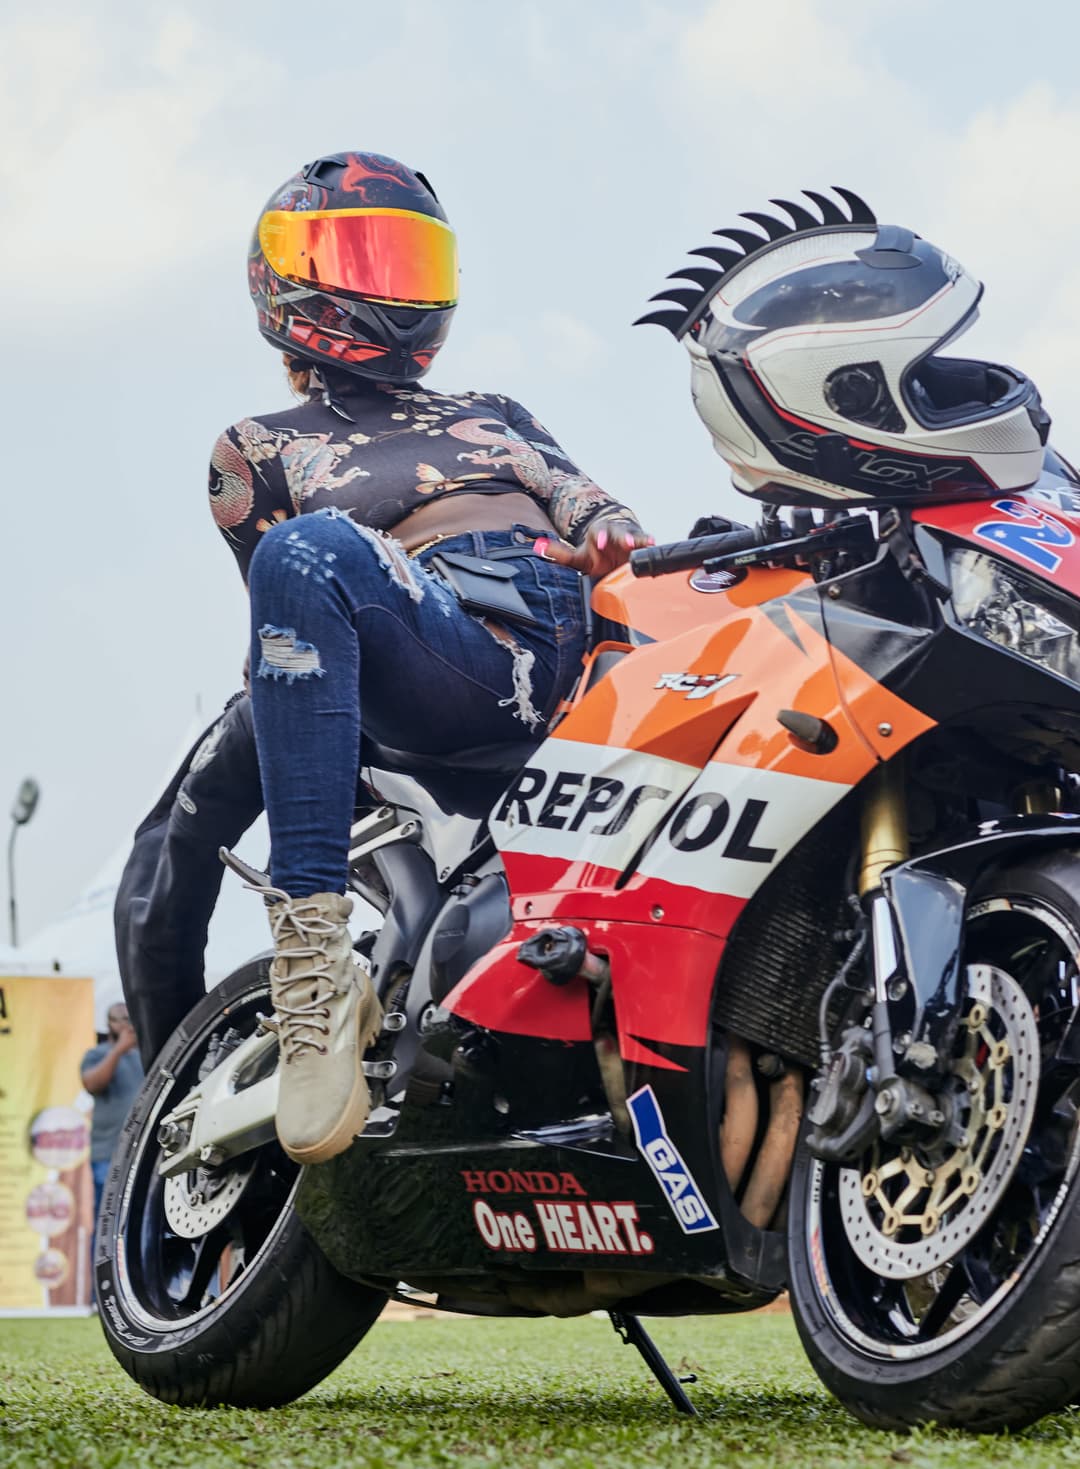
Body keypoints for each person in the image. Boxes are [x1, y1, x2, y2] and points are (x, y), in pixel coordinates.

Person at [207, 150, 648, 1168]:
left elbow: (590, 500)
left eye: (405, 258)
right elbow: (292, 614)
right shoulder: (258, 445)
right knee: (303, 552)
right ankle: (312, 966)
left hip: (587, 635)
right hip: (449, 640)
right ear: (286, 282)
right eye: (358, 257)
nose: (383, 285)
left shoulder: (498, 409)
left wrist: (618, 531)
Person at [81, 1003, 144, 1265]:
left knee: (143, 1223)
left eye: (130, 1019)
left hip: (143, 1156)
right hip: (109, 1155)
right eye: (120, 1020)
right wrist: (120, 1049)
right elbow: (92, 1083)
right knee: (108, 1222)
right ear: (109, 1024)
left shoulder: (149, 1055)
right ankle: (101, 1293)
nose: (126, 1025)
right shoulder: (97, 1054)